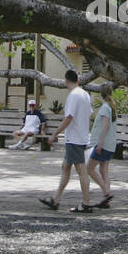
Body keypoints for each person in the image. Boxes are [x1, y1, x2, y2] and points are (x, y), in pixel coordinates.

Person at [41, 70, 93, 212]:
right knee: (65, 166)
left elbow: (68, 117)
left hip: (74, 138)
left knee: (81, 169)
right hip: (80, 136)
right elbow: (88, 114)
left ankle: (86, 203)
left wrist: (55, 134)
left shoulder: (73, 95)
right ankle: (55, 199)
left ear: (66, 81)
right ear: (78, 80)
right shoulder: (85, 95)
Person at [86, 83, 117, 207]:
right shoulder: (111, 106)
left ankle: (106, 192)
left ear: (101, 94)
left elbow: (105, 126)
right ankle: (106, 201)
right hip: (110, 144)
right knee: (103, 169)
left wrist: (99, 144)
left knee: (89, 168)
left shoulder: (105, 107)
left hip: (103, 144)